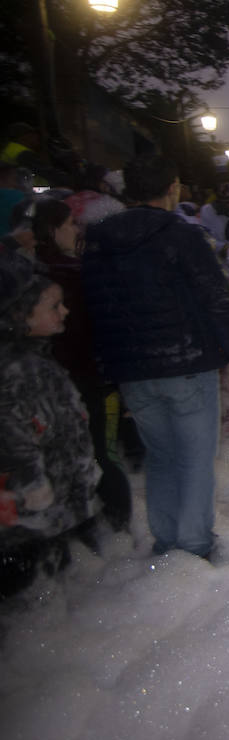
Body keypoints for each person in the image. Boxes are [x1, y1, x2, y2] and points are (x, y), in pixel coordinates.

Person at [82, 155, 229, 559]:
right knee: (195, 458)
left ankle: (166, 539)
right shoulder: (181, 234)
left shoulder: (98, 238)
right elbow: (214, 298)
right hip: (187, 362)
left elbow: (96, 306)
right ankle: (193, 544)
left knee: (160, 455)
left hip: (133, 369)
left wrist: (111, 368)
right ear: (173, 187)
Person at [0, 253, 102, 597]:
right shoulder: (18, 371)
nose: (65, 312)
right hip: (26, 517)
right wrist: (34, 486)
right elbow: (14, 439)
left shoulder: (35, 360)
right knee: (26, 591)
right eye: (54, 306)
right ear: (20, 316)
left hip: (45, 510)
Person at [32, 198, 131, 530]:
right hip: (81, 375)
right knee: (97, 453)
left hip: (55, 380)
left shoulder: (27, 270)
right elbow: (93, 327)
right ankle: (112, 528)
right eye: (70, 224)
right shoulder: (67, 274)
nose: (77, 230)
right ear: (51, 230)